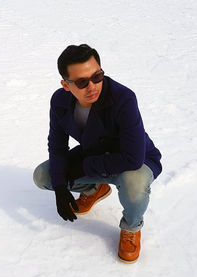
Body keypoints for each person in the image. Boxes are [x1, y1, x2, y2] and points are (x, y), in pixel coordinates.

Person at [33, 44, 162, 263]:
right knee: (43, 176)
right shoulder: (60, 101)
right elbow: (57, 146)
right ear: (66, 85)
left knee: (134, 184)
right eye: (82, 82)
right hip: (95, 154)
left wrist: (83, 167)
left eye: (98, 76)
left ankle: (131, 227)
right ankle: (94, 189)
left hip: (135, 159)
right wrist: (60, 187)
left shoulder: (124, 99)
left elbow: (132, 158)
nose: (92, 86)